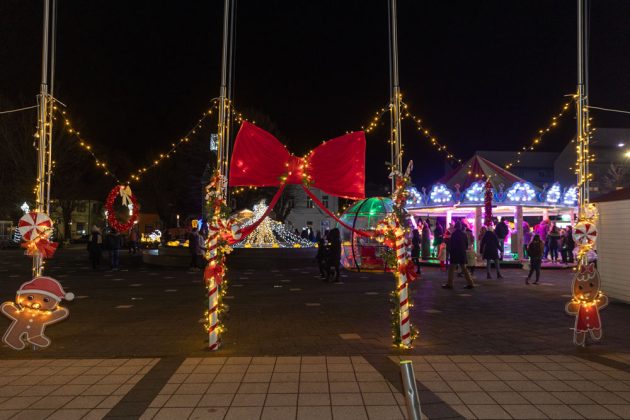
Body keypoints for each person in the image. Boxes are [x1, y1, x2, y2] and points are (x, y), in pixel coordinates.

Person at [442, 222, 475, 289]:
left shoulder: (454, 234)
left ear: (455, 227)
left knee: (451, 269)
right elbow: (466, 244)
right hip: (462, 253)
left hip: (455, 253)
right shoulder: (464, 234)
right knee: (464, 269)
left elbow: (451, 245)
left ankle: (450, 283)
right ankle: (470, 283)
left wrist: (450, 252)